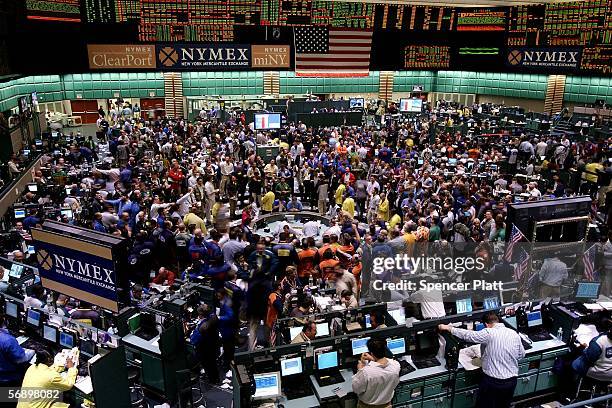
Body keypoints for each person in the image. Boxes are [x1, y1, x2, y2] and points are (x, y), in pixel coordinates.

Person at [438, 312, 525, 408]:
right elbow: (521, 355)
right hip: (511, 382)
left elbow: (468, 335)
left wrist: (448, 328)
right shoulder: (513, 333)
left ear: (486, 325)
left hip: (493, 383)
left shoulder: (489, 332)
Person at [351, 338, 400, 408]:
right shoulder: (396, 365)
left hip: (367, 406)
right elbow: (383, 366)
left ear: (372, 353)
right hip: (386, 405)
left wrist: (360, 369)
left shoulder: (366, 372)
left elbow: (356, 389)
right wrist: (373, 359)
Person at [572, 319, 612, 383]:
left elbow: (589, 359)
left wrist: (585, 349)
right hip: (610, 374)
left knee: (576, 363)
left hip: (597, 373)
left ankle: (573, 384)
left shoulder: (598, 342)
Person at [0, 315, 33, 388]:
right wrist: (32, 351)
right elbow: (21, 359)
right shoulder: (7, 340)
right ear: (3, 320)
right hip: (9, 379)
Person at [190, 305, 220, 384]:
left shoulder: (203, 326)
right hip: (214, 344)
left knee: (207, 365)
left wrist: (194, 331)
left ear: (200, 315)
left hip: (205, 349)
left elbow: (193, 340)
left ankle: (212, 381)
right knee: (213, 363)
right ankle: (216, 378)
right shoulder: (214, 317)